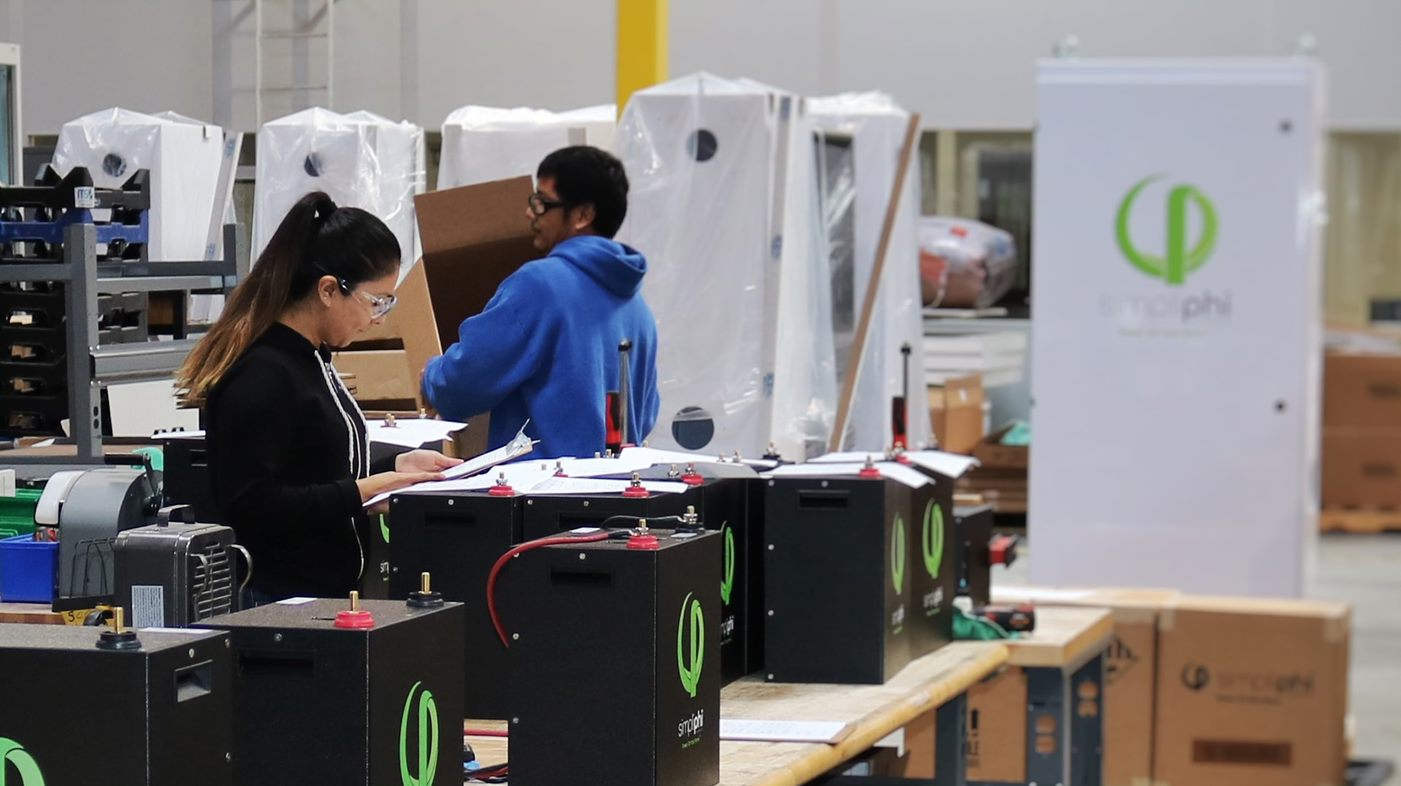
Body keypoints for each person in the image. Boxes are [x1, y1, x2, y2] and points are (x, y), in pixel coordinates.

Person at [175, 191, 460, 602]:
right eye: (375, 302)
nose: (377, 319)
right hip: (277, 602)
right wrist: (363, 492)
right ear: (328, 290)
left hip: (325, 596)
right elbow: (251, 504)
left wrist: (394, 465)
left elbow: (314, 466)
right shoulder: (263, 375)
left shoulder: (312, 359)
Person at [422, 146, 660, 458]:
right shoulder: (637, 306)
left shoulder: (540, 285)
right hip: (613, 492)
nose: (529, 213)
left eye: (541, 203)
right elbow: (646, 413)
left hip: (540, 495)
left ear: (582, 215)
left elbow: (469, 378)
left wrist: (431, 376)